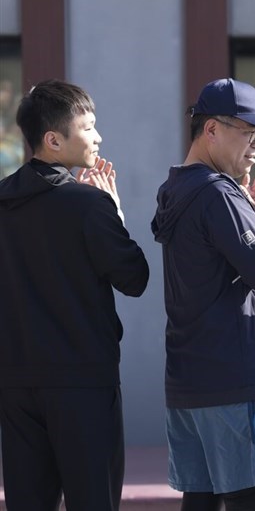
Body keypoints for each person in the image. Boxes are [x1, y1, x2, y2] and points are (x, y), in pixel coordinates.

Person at [0, 79, 149, 510]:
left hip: (15, 381)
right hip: (83, 382)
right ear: (53, 139)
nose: (98, 136)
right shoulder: (88, 205)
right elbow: (135, 278)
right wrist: (115, 212)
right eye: (87, 126)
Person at [151, 78, 255, 511]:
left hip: (191, 380)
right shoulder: (216, 192)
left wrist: (250, 212)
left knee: (201, 499)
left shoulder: (179, 187)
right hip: (235, 380)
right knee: (251, 499)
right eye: (248, 132)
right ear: (211, 129)